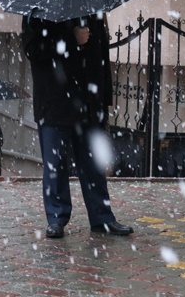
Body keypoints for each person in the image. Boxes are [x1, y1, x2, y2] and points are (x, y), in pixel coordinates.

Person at [21, 13, 133, 239]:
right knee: (56, 165)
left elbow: (101, 56)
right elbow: (33, 50)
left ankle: (102, 217)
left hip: (88, 102)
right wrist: (70, 40)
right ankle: (57, 218)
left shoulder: (92, 8)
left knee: (93, 164)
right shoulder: (38, 10)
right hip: (55, 102)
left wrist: (103, 99)